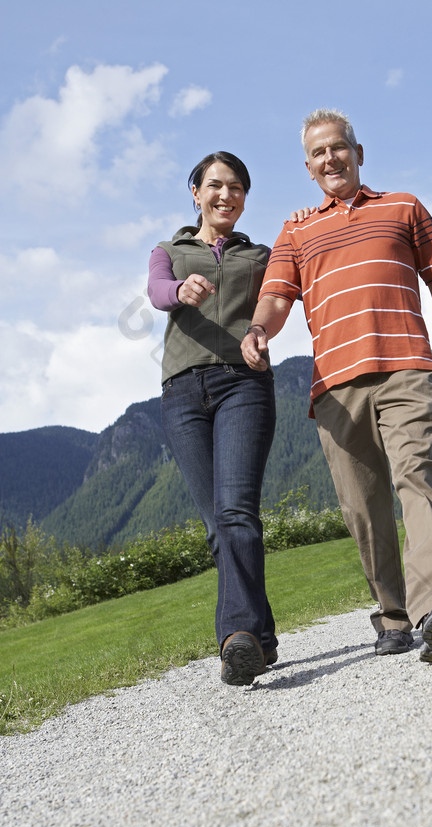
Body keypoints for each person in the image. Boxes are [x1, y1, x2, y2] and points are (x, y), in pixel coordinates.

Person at [241, 109, 432, 663]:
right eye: (319, 153)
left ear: (358, 151)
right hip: (335, 386)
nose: (331, 158)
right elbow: (276, 299)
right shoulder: (296, 229)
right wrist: (258, 330)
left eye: (339, 147)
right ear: (308, 167)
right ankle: (393, 616)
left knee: (417, 480)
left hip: (408, 369)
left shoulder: (404, 207)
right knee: (362, 508)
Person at [147, 151, 277, 686]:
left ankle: (235, 640)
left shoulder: (261, 255)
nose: (227, 196)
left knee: (236, 513)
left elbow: (280, 301)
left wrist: (261, 332)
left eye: (238, 188)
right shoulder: (168, 250)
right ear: (196, 193)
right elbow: (156, 291)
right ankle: (259, 638)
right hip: (182, 395)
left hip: (243, 386)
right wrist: (181, 290)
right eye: (216, 186)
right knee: (215, 524)